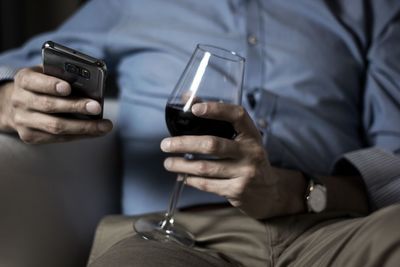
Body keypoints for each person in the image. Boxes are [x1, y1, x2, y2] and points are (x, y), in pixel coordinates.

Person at [0, 0, 399, 266]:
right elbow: (13, 72)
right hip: (175, 235)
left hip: (336, 232)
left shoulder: (374, 10)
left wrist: (291, 192)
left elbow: (394, 168)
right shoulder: (126, 5)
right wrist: (10, 101)